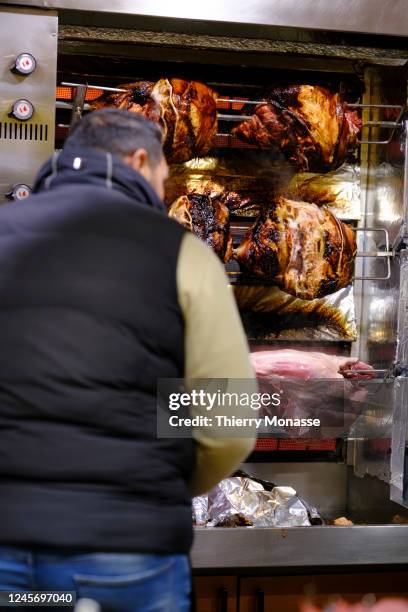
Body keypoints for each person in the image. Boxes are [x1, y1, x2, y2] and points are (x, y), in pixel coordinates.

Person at [0, 109, 256, 611]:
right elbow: (227, 424)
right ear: (140, 160)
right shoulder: (181, 253)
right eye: (164, 179)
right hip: (126, 549)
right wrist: (164, 481)